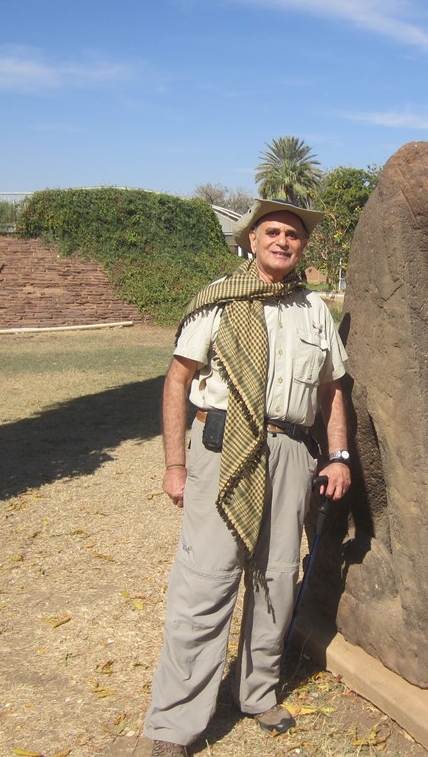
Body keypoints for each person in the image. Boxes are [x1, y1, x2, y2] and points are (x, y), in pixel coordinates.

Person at [139, 199, 352, 756]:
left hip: (288, 453)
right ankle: (175, 724)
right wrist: (175, 464)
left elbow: (331, 391)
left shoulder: (315, 312)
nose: (284, 241)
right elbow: (176, 380)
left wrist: (338, 456)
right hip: (222, 448)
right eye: (273, 232)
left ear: (303, 248)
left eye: (294, 235)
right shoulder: (217, 302)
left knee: (276, 579)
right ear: (252, 240)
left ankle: (255, 692)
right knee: (205, 584)